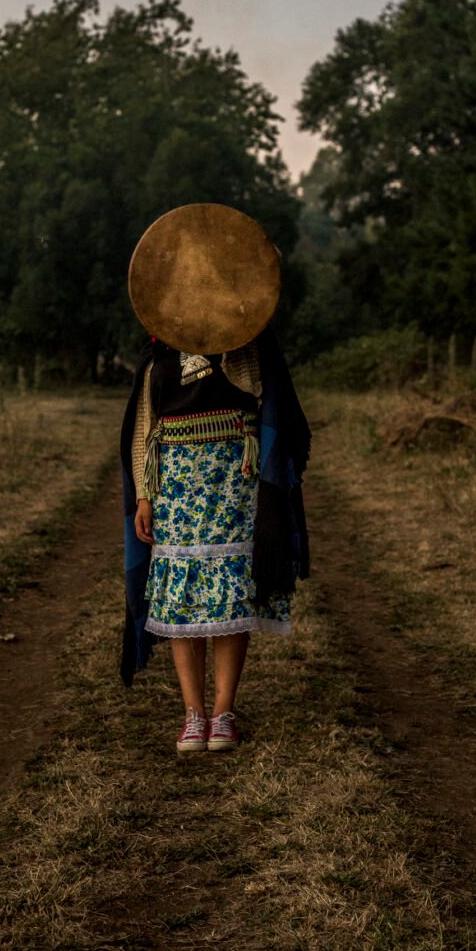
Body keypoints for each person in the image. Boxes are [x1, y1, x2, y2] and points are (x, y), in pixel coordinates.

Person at [120, 204, 310, 754]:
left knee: (229, 601)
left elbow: (259, 394)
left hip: (235, 477)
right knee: (182, 602)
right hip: (175, 482)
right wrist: (145, 495)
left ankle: (224, 712)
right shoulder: (159, 347)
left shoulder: (246, 339)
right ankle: (192, 714)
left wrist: (227, 330)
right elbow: (145, 430)